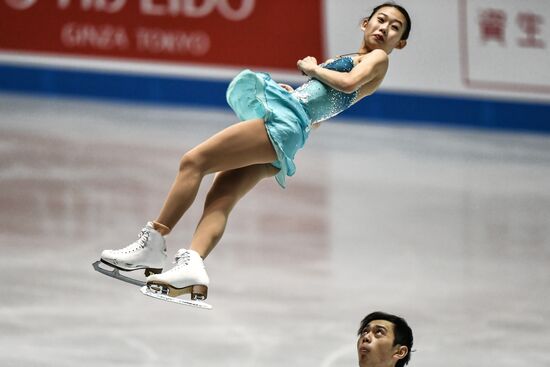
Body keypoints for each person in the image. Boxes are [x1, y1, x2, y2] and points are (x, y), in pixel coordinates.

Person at [98, 3, 412, 303]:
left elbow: (347, 84)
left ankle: (153, 243)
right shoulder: (356, 57)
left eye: (395, 27)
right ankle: (192, 266)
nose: (385, 28)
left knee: (193, 162)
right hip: (292, 132)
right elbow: (324, 105)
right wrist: (299, 95)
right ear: (365, 23)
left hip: (284, 125)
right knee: (222, 196)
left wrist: (313, 68)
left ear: (401, 43)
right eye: (381, 20)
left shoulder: (377, 60)